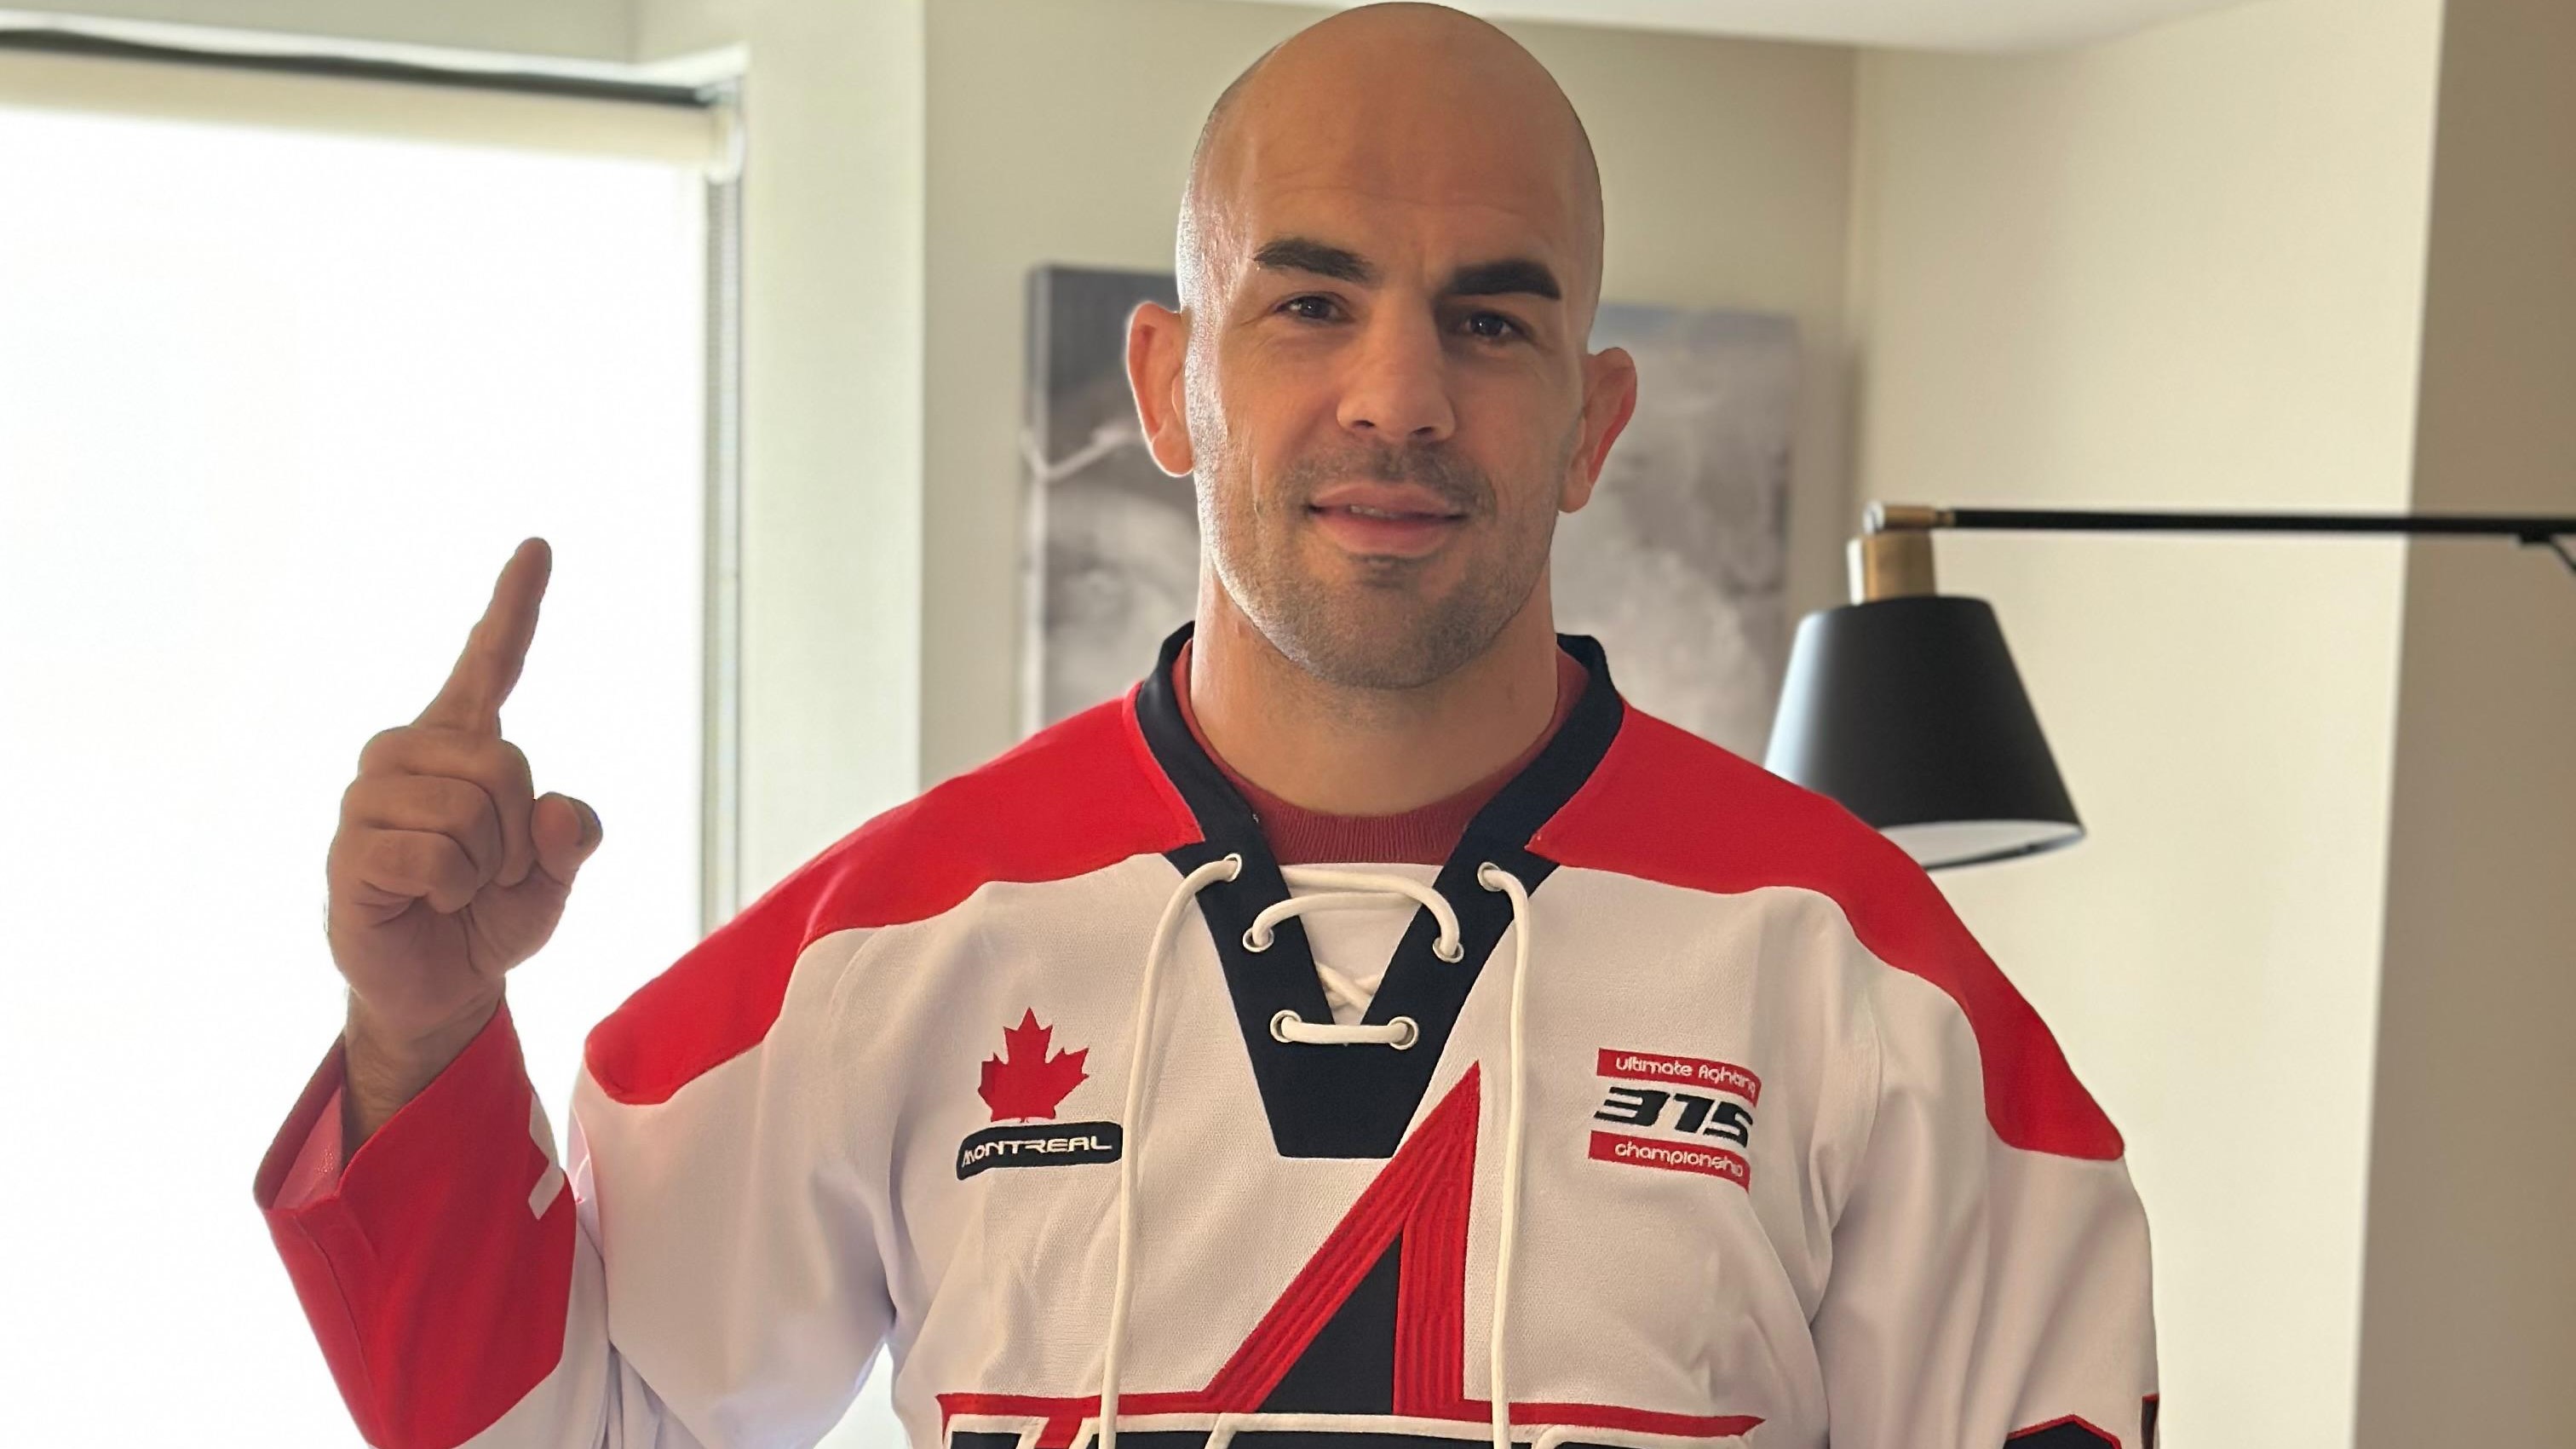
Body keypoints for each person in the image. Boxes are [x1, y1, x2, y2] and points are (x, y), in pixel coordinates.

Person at [256, 5, 2158, 1446]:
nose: (1398, 395)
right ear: (1168, 385)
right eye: (1310, 302)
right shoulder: (885, 948)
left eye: (1492, 324)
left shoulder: (1869, 981)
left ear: (1593, 423)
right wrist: (418, 1037)